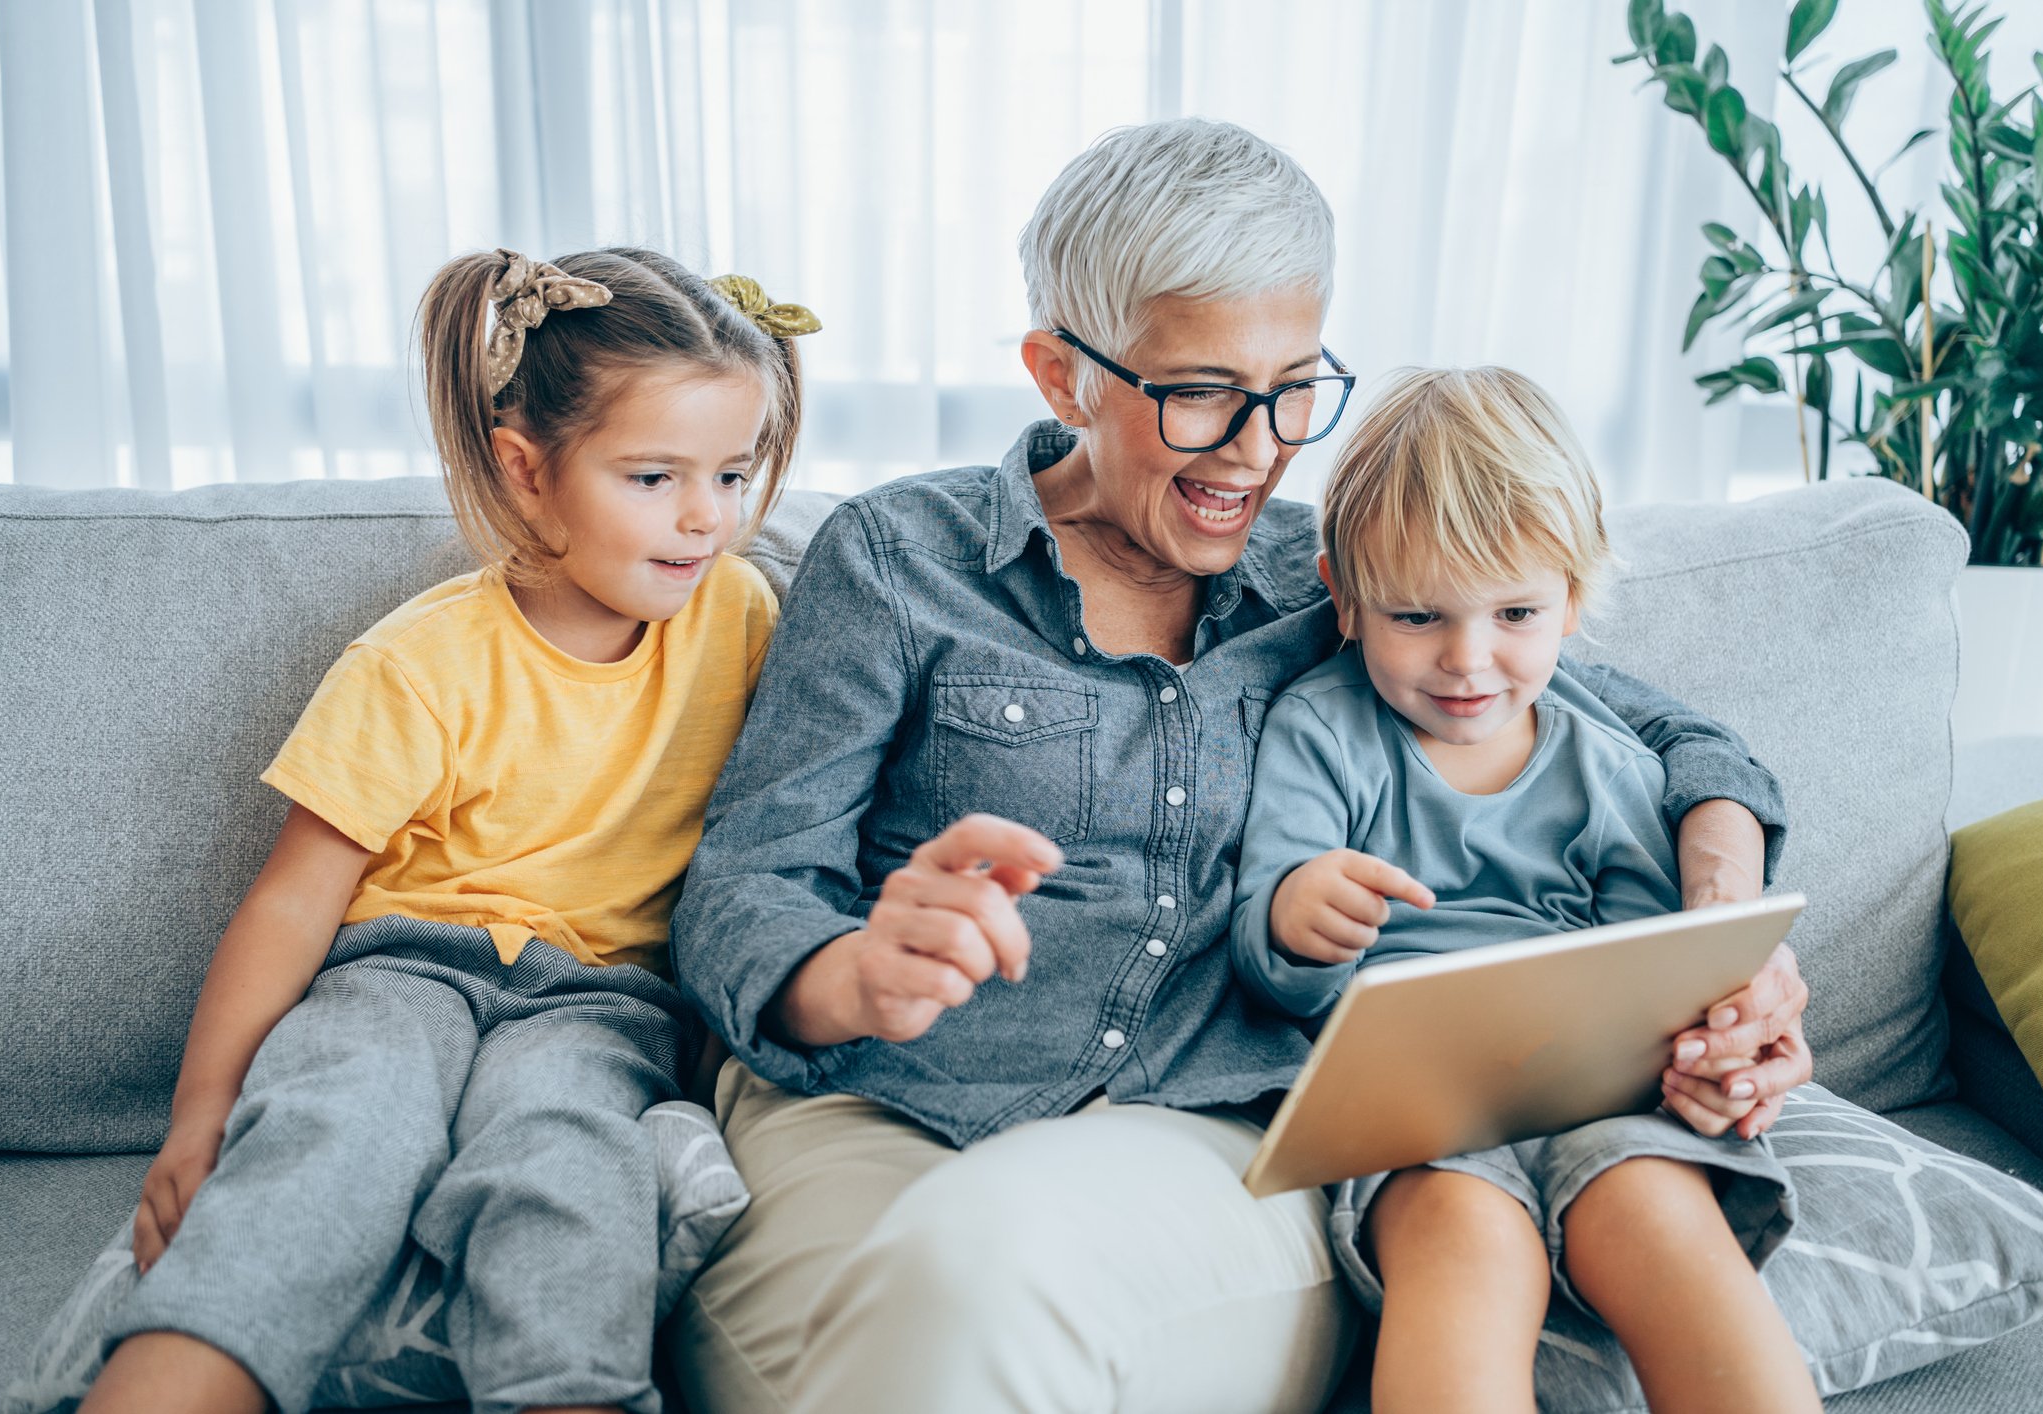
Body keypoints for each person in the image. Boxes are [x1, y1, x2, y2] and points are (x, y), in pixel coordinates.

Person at [665, 117, 1812, 1414]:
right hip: (883, 1103)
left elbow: (1673, 742)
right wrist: (852, 972)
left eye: (1294, 385)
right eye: (1201, 390)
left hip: (1202, 1132)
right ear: (1062, 374)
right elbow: (741, 895)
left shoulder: (1338, 578)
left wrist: (1726, 923)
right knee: (880, 1340)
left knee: (982, 1266)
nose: (1259, 444)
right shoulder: (898, 559)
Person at [78, 248, 815, 1414]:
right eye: (653, 476)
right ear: (527, 472)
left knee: (566, 1160)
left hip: (601, 998)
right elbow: (292, 899)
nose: (706, 518)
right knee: (335, 1134)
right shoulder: (420, 661)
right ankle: (173, 1380)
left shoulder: (743, 619)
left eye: (733, 473)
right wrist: (201, 1111)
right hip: (400, 970)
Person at [1229, 366, 1820, 1413]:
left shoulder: (1609, 763)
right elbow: (1271, 943)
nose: (1468, 660)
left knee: (1654, 1212)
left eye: (1514, 612)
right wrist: (1298, 917)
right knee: (1463, 1238)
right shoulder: (1321, 734)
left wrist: (1704, 1038)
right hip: (1418, 1114)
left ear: (1574, 603)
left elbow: (1652, 969)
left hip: (1601, 1093)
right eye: (1417, 615)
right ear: (1345, 600)